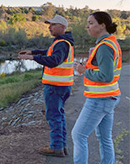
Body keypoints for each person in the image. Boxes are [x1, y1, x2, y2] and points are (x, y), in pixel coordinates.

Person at [18, 15, 74, 157]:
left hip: (55, 86)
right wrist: (34, 52)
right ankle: (61, 146)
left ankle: (56, 147)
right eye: (49, 25)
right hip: (62, 85)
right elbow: (49, 52)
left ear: (62, 27)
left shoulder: (61, 43)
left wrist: (33, 58)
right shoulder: (63, 42)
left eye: (53, 25)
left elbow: (54, 59)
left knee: (54, 116)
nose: (49, 27)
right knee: (59, 116)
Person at [72, 12, 122, 164]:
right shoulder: (109, 42)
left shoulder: (104, 47)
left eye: (91, 23)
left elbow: (106, 76)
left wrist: (83, 71)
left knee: (78, 135)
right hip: (109, 96)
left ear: (102, 25)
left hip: (100, 99)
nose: (87, 26)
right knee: (104, 138)